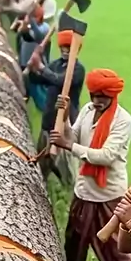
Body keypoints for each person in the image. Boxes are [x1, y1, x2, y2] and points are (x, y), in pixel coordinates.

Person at [49, 68, 131, 261]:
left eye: (103, 97)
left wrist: (68, 146)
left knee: (116, 252)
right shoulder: (87, 111)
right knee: (74, 244)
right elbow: (73, 136)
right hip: (84, 192)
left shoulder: (123, 121)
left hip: (109, 196)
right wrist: (65, 117)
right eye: (94, 95)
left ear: (113, 96)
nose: (97, 101)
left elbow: (106, 156)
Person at [29, 29, 85, 185]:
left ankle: (69, 187)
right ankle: (42, 184)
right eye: (63, 48)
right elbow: (41, 79)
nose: (65, 51)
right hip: (49, 118)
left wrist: (41, 68)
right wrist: (33, 68)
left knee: (66, 165)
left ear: (76, 50)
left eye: (69, 48)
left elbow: (59, 80)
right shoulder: (56, 64)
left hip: (66, 121)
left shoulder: (78, 69)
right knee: (43, 161)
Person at [17, 6, 50, 112]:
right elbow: (23, 35)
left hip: (37, 66)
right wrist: (25, 23)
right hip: (24, 64)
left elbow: (38, 36)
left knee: (39, 93)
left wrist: (31, 21)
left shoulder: (45, 28)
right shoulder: (29, 28)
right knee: (24, 91)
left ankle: (48, 111)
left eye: (35, 17)